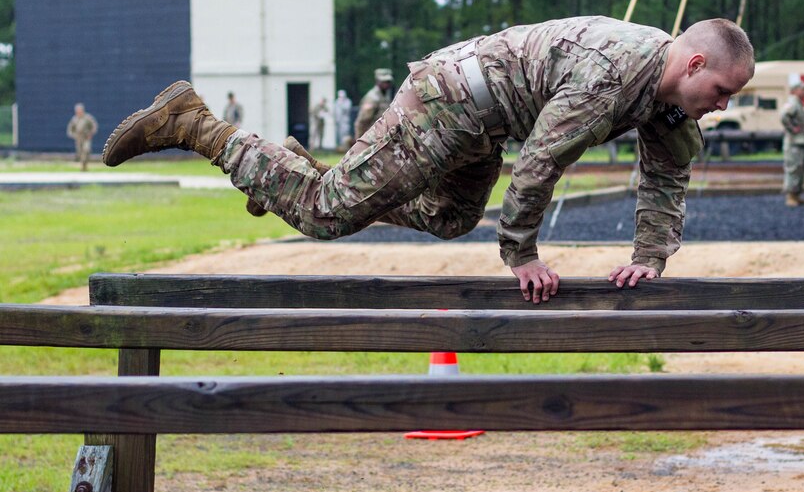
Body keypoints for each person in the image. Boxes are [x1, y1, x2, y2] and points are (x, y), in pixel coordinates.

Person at [101, 16, 754, 303]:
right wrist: (522, 254)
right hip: (449, 101)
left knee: (450, 218)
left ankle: (290, 172)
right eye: (720, 92)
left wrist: (649, 257)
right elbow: (539, 165)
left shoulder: (671, 101)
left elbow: (668, 173)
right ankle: (194, 123)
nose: (721, 107)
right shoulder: (611, 74)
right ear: (693, 63)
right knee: (327, 215)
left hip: (484, 125)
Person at [780, 80, 804, 207]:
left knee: (800, 169)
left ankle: (796, 195)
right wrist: (792, 129)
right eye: (802, 89)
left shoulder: (798, 103)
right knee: (793, 169)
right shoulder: (793, 102)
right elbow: (784, 116)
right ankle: (791, 196)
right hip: (794, 143)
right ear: (794, 90)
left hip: (799, 143)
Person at [354, 68, 395, 140]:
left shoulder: (387, 95)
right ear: (377, 81)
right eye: (384, 81)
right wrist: (360, 141)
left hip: (383, 136)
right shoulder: (372, 97)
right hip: (372, 137)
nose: (387, 84)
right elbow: (362, 121)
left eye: (388, 82)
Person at [66, 102, 98, 172]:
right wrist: (73, 135)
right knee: (80, 153)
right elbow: (70, 129)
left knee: (86, 150)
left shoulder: (87, 118)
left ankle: (84, 165)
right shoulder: (74, 119)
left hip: (86, 137)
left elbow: (94, 125)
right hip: (78, 139)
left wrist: (91, 133)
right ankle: (83, 166)